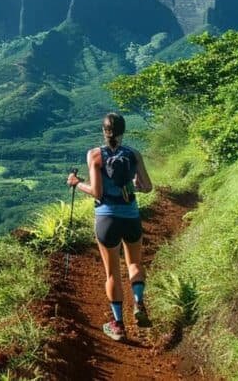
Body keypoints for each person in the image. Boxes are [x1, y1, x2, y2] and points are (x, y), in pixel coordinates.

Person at [67, 112, 153, 341]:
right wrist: (133, 185)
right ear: (124, 131)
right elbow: (147, 187)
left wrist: (76, 183)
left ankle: (118, 325)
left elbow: (97, 192)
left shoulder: (95, 155)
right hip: (131, 216)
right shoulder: (134, 154)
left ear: (104, 131)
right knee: (134, 263)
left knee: (112, 272)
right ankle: (139, 303)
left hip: (106, 219)